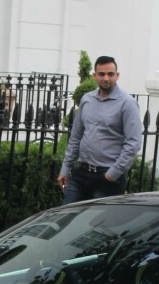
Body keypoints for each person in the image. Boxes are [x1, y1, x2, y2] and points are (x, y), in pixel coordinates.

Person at [58, 55, 143, 204]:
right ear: (95, 76)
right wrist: (66, 168)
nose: (106, 78)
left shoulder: (127, 104)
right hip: (81, 174)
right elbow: (76, 136)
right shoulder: (87, 99)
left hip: (107, 177)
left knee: (98, 225)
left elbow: (133, 144)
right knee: (67, 218)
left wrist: (113, 174)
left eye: (110, 74)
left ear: (117, 76)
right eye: (102, 74)